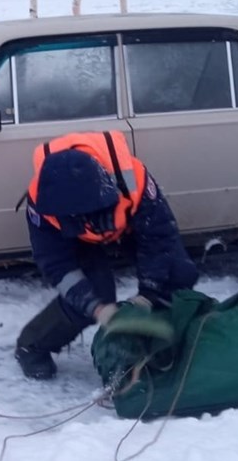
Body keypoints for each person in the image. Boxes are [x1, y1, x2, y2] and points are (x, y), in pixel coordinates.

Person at [15, 131, 199, 380]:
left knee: (177, 273)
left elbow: (159, 239)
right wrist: (97, 307)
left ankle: (158, 341)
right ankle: (32, 346)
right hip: (79, 242)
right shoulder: (41, 203)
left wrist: (148, 294)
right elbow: (56, 263)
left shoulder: (136, 180)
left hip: (128, 227)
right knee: (92, 294)